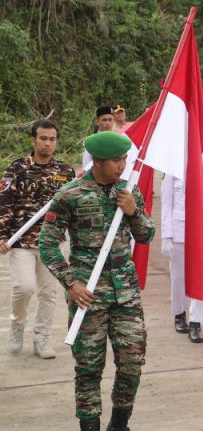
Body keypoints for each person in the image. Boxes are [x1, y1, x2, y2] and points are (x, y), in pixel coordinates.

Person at [38, 131, 155, 431]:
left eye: (124, 158)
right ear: (98, 161)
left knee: (132, 363)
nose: (122, 164)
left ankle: (119, 424)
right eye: (117, 160)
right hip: (88, 296)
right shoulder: (70, 195)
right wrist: (71, 283)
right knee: (89, 369)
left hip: (126, 295)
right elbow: (47, 244)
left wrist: (133, 212)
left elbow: (146, 235)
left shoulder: (129, 191)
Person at [0, 119, 75, 358]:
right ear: (33, 140)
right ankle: (17, 326)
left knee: (48, 293)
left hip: (51, 243)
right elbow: (5, 203)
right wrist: (2, 235)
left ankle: (42, 338)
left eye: (52, 139)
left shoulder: (65, 172)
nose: (47, 143)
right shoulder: (17, 168)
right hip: (22, 242)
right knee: (24, 287)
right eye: (43, 138)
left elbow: (71, 207)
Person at [161, 174, 203, 343]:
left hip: (200, 230)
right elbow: (166, 204)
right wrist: (166, 236)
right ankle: (179, 313)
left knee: (199, 278)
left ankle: (195, 321)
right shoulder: (172, 171)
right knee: (179, 278)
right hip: (179, 231)